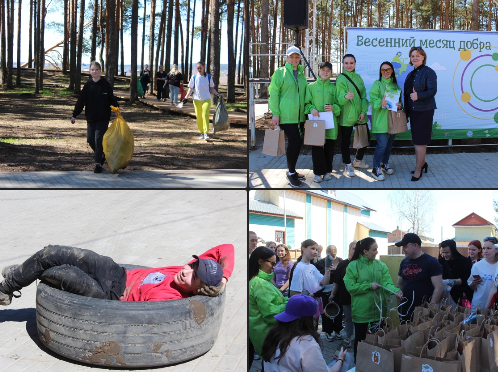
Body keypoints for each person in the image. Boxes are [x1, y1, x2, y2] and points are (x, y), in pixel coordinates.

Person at [0, 243, 233, 306]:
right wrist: (224, 277)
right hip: (117, 272)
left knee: (60, 273)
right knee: (51, 252)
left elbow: (132, 318)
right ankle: (7, 287)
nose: (186, 270)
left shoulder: (170, 301)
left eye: (194, 275)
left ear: (198, 290)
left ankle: (26, 273)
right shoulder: (181, 271)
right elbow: (227, 248)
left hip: (110, 296)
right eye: (192, 265)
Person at [343, 238, 402, 361]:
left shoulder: (381, 265)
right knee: (360, 342)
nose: (376, 252)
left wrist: (396, 291)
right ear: (365, 251)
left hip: (378, 312)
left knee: (377, 342)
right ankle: (358, 364)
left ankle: (374, 365)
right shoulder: (353, 265)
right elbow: (350, 287)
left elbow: (387, 283)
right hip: (361, 313)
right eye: (374, 249)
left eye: (376, 249)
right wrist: (369, 286)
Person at [261, 294, 348, 372]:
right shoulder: (306, 343)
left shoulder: (274, 335)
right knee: (347, 358)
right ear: (308, 320)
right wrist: (341, 358)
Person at [268, 45, 308, 188]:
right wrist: (275, 114)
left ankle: (292, 170)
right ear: (286, 57)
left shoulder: (302, 74)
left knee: (296, 144)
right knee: (295, 142)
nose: (294, 59)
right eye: (291, 56)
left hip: (299, 116)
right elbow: (274, 93)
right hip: (286, 116)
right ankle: (291, 173)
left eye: (297, 57)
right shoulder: (280, 73)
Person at [71, 61, 118, 174]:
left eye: (97, 69)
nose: (95, 71)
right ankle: (102, 154)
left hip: (103, 117)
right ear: (90, 72)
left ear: (100, 71)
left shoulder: (105, 84)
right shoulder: (88, 85)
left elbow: (112, 99)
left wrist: (116, 110)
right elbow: (81, 101)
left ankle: (98, 164)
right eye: (92, 69)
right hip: (91, 117)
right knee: (90, 139)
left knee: (98, 139)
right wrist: (74, 115)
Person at [249, 247, 288, 370]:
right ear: (260, 261)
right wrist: (290, 304)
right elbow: (271, 313)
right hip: (268, 336)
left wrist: (290, 300)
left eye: (275, 263)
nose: (274, 267)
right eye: (271, 263)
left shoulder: (262, 280)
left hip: (266, 336)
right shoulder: (260, 284)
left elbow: (277, 300)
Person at [403, 46, 437, 181]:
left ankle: (418, 170)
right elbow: (407, 94)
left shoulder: (429, 72)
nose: (415, 58)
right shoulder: (411, 74)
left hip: (424, 111)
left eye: (418, 55)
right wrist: (406, 110)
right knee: (417, 140)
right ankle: (422, 164)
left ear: (423, 57)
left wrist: (419, 96)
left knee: (420, 142)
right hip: (414, 111)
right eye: (412, 56)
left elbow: (432, 90)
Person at [304, 61, 341, 183]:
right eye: (323, 70)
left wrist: (333, 108)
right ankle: (318, 173)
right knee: (317, 148)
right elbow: (306, 104)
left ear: (331, 73)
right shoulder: (311, 87)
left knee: (330, 148)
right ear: (319, 71)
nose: (325, 72)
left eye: (328, 70)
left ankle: (328, 171)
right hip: (316, 123)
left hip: (330, 124)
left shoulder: (334, 88)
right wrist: (311, 109)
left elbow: (339, 106)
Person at [336, 54, 370, 178]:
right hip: (347, 115)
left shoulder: (358, 77)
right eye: (346, 63)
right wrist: (345, 97)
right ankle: (348, 164)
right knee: (345, 141)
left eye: (351, 63)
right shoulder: (340, 78)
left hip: (359, 114)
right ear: (343, 64)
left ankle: (357, 161)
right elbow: (339, 99)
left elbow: (363, 96)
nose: (349, 65)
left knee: (365, 137)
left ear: (355, 64)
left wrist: (363, 111)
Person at [395, 233, 443, 321]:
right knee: (405, 334)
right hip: (405, 309)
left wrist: (430, 309)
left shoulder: (431, 262)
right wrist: (398, 300)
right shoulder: (404, 262)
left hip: (423, 310)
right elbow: (399, 284)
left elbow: (439, 287)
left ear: (415, 245)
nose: (403, 250)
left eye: (405, 246)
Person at [369, 61, 402, 181]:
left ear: (392, 71)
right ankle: (375, 167)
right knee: (382, 145)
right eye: (383, 70)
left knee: (388, 145)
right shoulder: (377, 84)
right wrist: (380, 102)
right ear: (380, 72)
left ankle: (384, 164)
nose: (386, 72)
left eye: (388, 69)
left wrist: (399, 105)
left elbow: (399, 102)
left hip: (392, 121)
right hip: (381, 120)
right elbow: (372, 100)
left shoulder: (396, 87)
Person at [289, 239, 332, 331]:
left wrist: (327, 268)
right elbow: (294, 294)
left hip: (313, 307)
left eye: (316, 249)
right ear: (303, 249)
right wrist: (313, 295)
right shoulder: (299, 268)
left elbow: (324, 282)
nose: (315, 252)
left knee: (313, 332)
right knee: (306, 334)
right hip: (305, 311)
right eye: (312, 248)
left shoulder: (312, 266)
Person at [329, 240, 357, 348]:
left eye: (357, 248)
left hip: (359, 297)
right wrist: (332, 294)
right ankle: (349, 337)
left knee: (359, 317)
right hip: (345, 296)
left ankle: (358, 337)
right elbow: (336, 281)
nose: (355, 250)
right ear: (349, 250)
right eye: (353, 248)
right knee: (349, 317)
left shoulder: (362, 264)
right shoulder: (343, 264)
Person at [313, 245, 342, 343]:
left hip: (337, 290)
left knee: (338, 312)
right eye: (330, 254)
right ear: (326, 253)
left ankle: (338, 330)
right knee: (326, 312)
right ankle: (328, 332)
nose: (332, 256)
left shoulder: (340, 261)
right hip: (325, 290)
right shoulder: (321, 262)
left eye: (334, 255)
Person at [183, 62, 219, 140]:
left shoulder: (209, 77)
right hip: (196, 100)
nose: (199, 69)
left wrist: (218, 95)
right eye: (198, 68)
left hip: (207, 99)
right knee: (199, 117)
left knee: (205, 115)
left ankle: (206, 133)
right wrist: (186, 97)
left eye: (200, 68)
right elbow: (190, 89)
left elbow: (212, 89)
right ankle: (202, 132)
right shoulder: (194, 77)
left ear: (204, 67)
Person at [438, 239, 472, 306]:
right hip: (444, 296)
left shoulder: (464, 261)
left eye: (447, 252)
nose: (444, 255)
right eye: (443, 252)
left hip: (459, 296)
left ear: (453, 251)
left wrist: (452, 281)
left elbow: (466, 279)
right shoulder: (440, 261)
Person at [470, 237, 498, 313]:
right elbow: (471, 287)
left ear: (496, 249)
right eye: (484, 248)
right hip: (479, 304)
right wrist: (473, 283)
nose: (485, 251)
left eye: (488, 248)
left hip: (495, 306)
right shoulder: (477, 266)